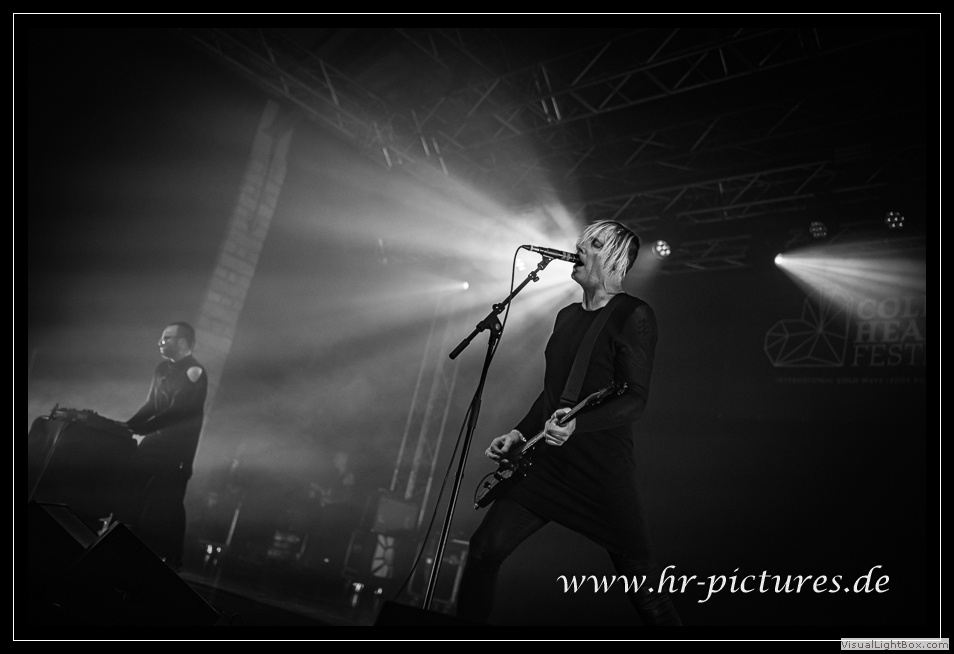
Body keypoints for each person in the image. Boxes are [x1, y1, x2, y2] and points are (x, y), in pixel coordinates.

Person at [455, 220, 683, 626]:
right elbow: (552, 395)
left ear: (615, 259)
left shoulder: (633, 314)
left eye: (592, 244)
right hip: (547, 464)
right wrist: (519, 433)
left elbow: (635, 400)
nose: (579, 248)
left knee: (644, 590)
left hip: (601, 468)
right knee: (484, 549)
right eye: (581, 242)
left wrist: (580, 425)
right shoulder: (566, 316)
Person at [118, 321, 208, 571]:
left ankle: (172, 557)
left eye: (167, 338)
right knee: (133, 483)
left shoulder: (195, 371)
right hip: (155, 441)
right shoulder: (161, 369)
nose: (161, 342)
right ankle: (124, 539)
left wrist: (143, 428)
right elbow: (151, 404)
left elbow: (178, 411)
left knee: (169, 501)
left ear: (183, 342)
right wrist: (128, 425)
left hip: (177, 449)